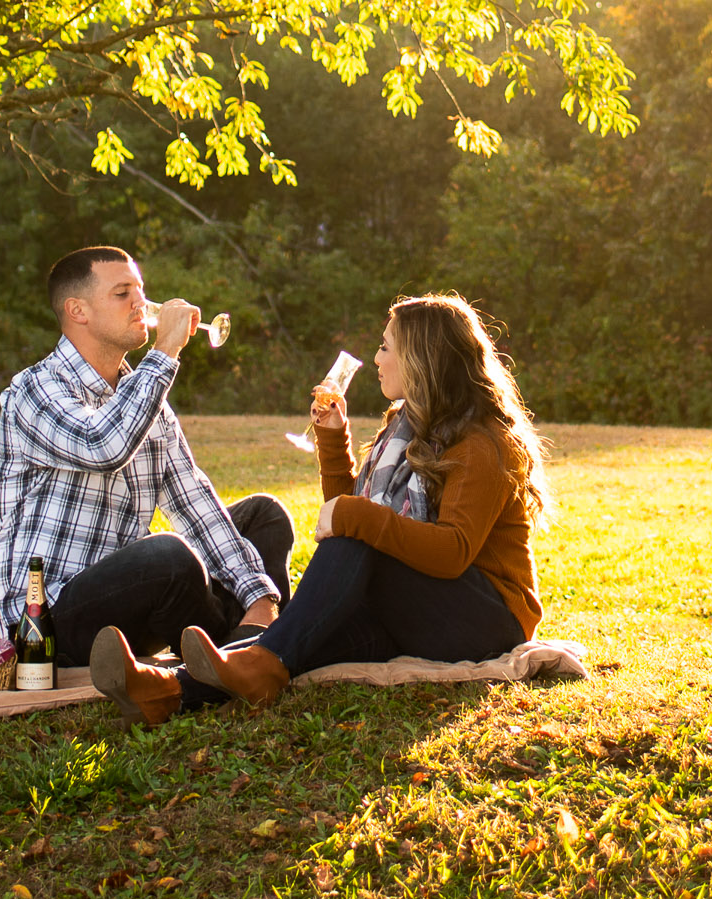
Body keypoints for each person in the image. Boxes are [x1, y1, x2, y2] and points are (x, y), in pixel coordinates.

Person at [180, 292, 548, 708]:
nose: (376, 359)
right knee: (307, 640)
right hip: (415, 607)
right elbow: (354, 520)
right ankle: (168, 689)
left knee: (355, 538)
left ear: (421, 359)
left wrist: (357, 516)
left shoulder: (481, 442)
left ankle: (262, 659)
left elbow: (451, 552)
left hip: (487, 618)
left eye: (385, 346)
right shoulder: (408, 424)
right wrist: (334, 440)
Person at [0, 246, 287, 728]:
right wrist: (164, 352)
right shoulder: (35, 391)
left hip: (132, 603)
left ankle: (243, 650)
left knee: (263, 516)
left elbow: (193, 501)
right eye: (123, 293)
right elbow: (103, 445)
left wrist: (259, 597)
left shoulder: (145, 398)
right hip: (49, 622)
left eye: (141, 292)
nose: (141, 304)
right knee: (169, 557)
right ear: (76, 311)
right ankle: (243, 661)